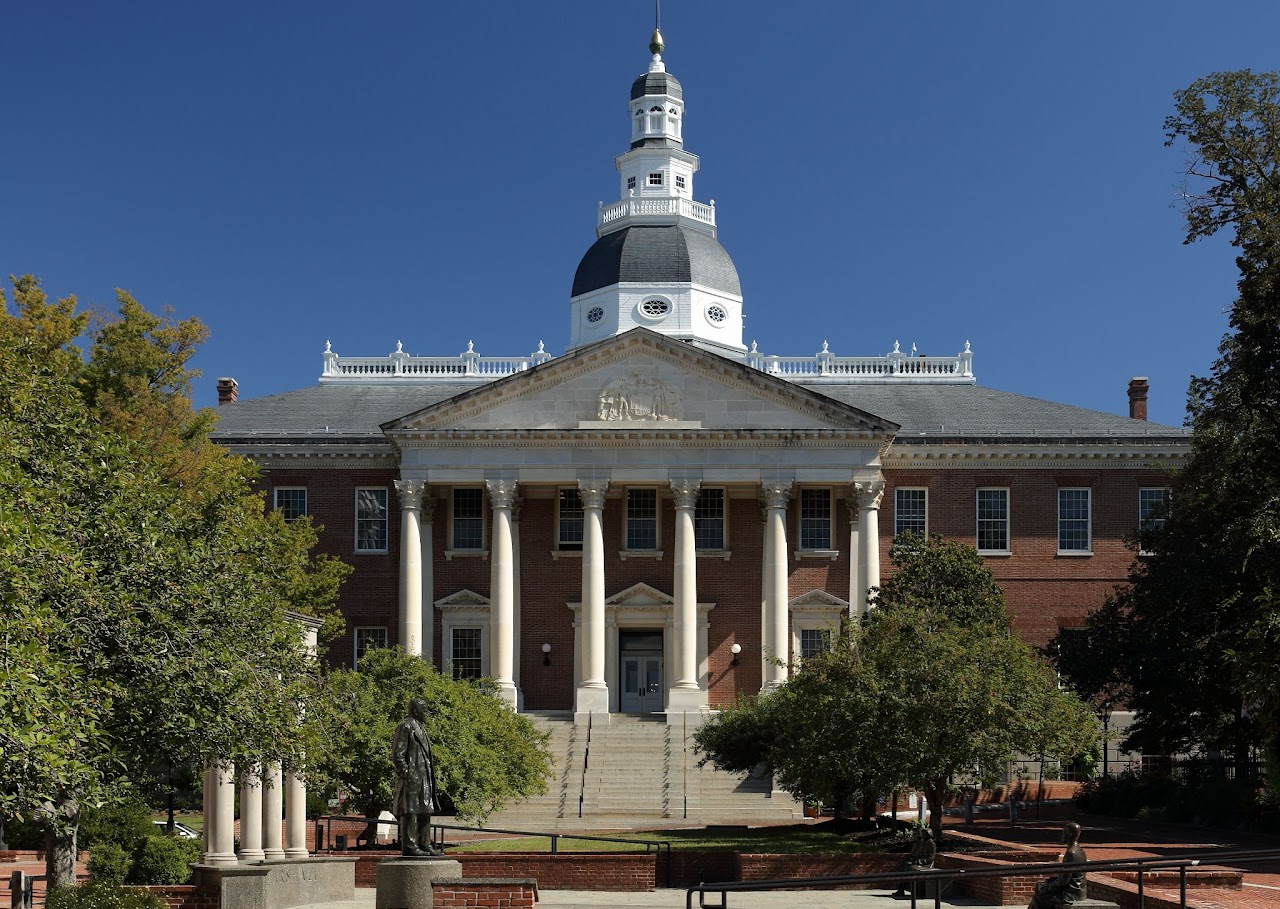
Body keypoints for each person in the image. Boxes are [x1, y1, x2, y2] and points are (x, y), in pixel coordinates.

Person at [392, 698, 441, 856]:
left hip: (423, 777)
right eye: (424, 710)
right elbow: (397, 755)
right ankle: (411, 847)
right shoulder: (405, 726)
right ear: (415, 711)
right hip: (412, 778)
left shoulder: (421, 728)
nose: (426, 714)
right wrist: (406, 773)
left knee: (426, 810)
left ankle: (425, 844)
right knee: (411, 812)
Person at [1028, 823, 1088, 909]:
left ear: (1069, 834)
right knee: (1042, 888)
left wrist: (1047, 887)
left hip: (1071, 893)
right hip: (1078, 890)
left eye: (1064, 832)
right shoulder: (1080, 850)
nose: (1062, 835)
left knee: (1039, 898)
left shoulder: (1071, 853)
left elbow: (1064, 881)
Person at [892, 825, 936, 899]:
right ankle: (901, 889)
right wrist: (912, 860)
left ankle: (904, 890)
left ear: (928, 835)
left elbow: (930, 858)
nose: (922, 835)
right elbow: (918, 854)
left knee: (907, 871)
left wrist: (918, 861)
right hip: (919, 862)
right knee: (903, 868)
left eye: (924, 834)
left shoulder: (931, 844)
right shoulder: (922, 843)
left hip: (926, 865)